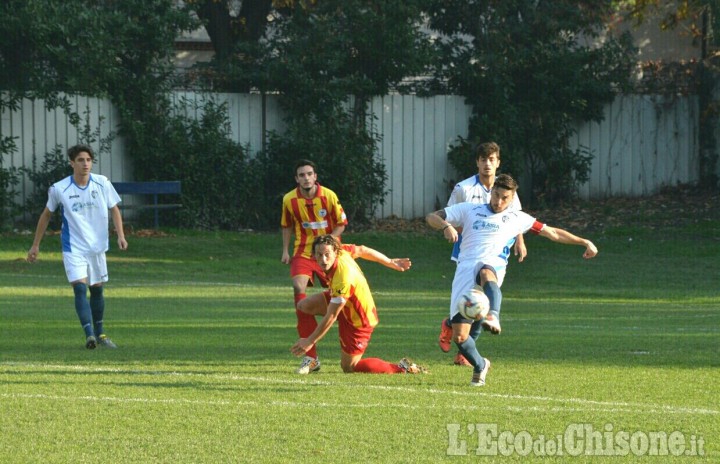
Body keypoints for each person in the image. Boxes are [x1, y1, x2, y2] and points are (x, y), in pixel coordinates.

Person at [426, 174, 597, 386]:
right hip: (464, 270)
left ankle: (493, 315)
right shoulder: (469, 210)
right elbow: (431, 216)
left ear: (512, 197)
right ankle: (481, 365)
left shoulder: (518, 218)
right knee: (460, 338)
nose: (498, 202)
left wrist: (584, 241)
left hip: (491, 263)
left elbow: (552, 233)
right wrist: (446, 226)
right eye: (496, 195)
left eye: (504, 198)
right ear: (492, 192)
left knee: (487, 273)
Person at [27, 144, 128, 349]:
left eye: (88, 160)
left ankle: (101, 335)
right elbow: (46, 215)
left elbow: (114, 209)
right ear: (72, 163)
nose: (85, 164)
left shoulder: (102, 183)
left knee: (97, 290)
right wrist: (35, 245)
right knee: (80, 289)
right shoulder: (59, 188)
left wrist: (121, 235)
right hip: (73, 247)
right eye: (81, 160)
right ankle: (89, 335)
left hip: (97, 247)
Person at [441, 142, 526, 366]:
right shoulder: (464, 188)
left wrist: (520, 240)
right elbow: (450, 215)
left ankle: (462, 347)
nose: (487, 164)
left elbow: (515, 218)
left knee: (486, 297)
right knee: (475, 296)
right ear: (477, 162)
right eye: (483, 159)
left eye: (492, 159)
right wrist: (468, 228)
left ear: (498, 162)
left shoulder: (507, 190)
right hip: (467, 250)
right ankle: (452, 324)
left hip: (495, 252)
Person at [290, 235, 426, 375]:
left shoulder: (343, 278)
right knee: (303, 306)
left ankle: (401, 368)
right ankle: (311, 359)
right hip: (345, 303)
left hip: (359, 319)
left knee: (349, 367)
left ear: (335, 253)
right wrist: (390, 261)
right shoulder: (342, 250)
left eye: (327, 255)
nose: (324, 260)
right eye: (319, 255)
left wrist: (310, 340)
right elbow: (362, 250)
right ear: (314, 255)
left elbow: (332, 315)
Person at [281, 160, 348, 373]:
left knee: (341, 299)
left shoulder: (329, 196)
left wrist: (330, 241)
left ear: (315, 176)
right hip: (303, 252)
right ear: (296, 179)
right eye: (301, 175)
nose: (306, 178)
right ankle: (310, 357)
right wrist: (285, 250)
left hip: (328, 254)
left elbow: (341, 223)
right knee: (298, 288)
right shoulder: (289, 200)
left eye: (309, 174)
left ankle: (348, 331)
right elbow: (287, 225)